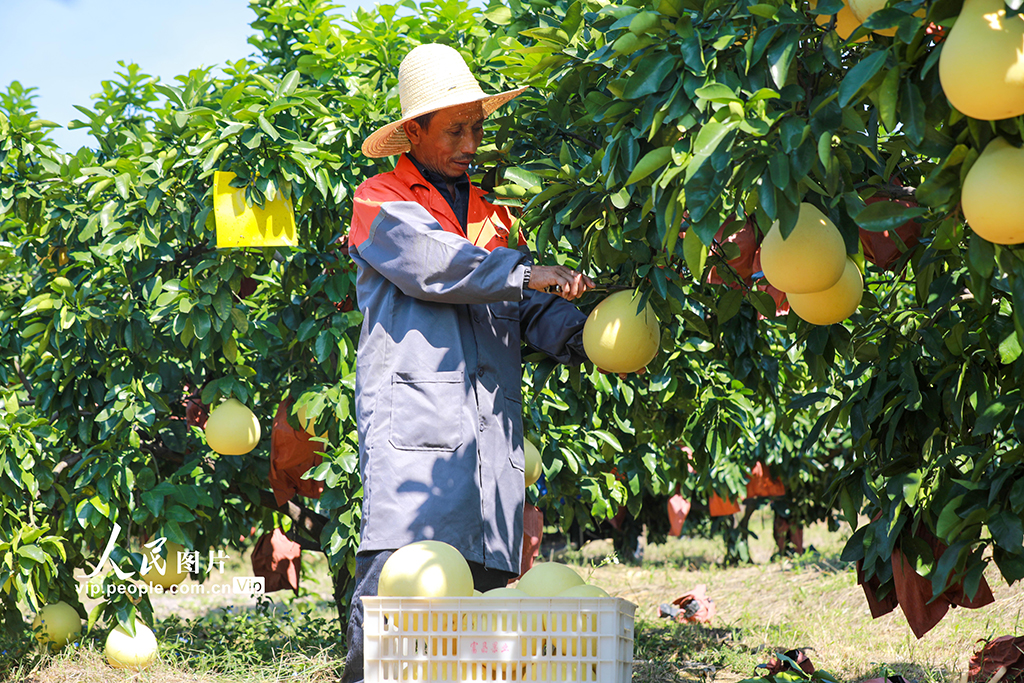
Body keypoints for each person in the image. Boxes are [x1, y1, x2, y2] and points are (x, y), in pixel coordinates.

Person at [339, 43, 597, 682]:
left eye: (477, 126)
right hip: (417, 435)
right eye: (455, 128)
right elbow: (437, 266)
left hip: (490, 438)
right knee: (397, 591)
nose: (470, 141)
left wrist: (589, 333)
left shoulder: (492, 216)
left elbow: (525, 307)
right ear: (414, 131)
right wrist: (530, 272)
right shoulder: (381, 201)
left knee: (483, 616)